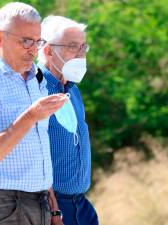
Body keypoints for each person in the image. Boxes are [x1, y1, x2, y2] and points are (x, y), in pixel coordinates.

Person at [0, 3, 66, 225]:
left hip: (41, 203)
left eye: (38, 42)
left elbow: (39, 150)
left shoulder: (35, 78)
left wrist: (54, 211)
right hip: (4, 205)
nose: (33, 49)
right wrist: (29, 117)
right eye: (25, 41)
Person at [37, 15, 99, 225]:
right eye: (73, 47)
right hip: (54, 208)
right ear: (47, 50)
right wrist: (54, 210)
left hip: (82, 205)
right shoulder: (35, 90)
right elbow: (36, 156)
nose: (80, 54)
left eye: (83, 47)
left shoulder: (73, 90)